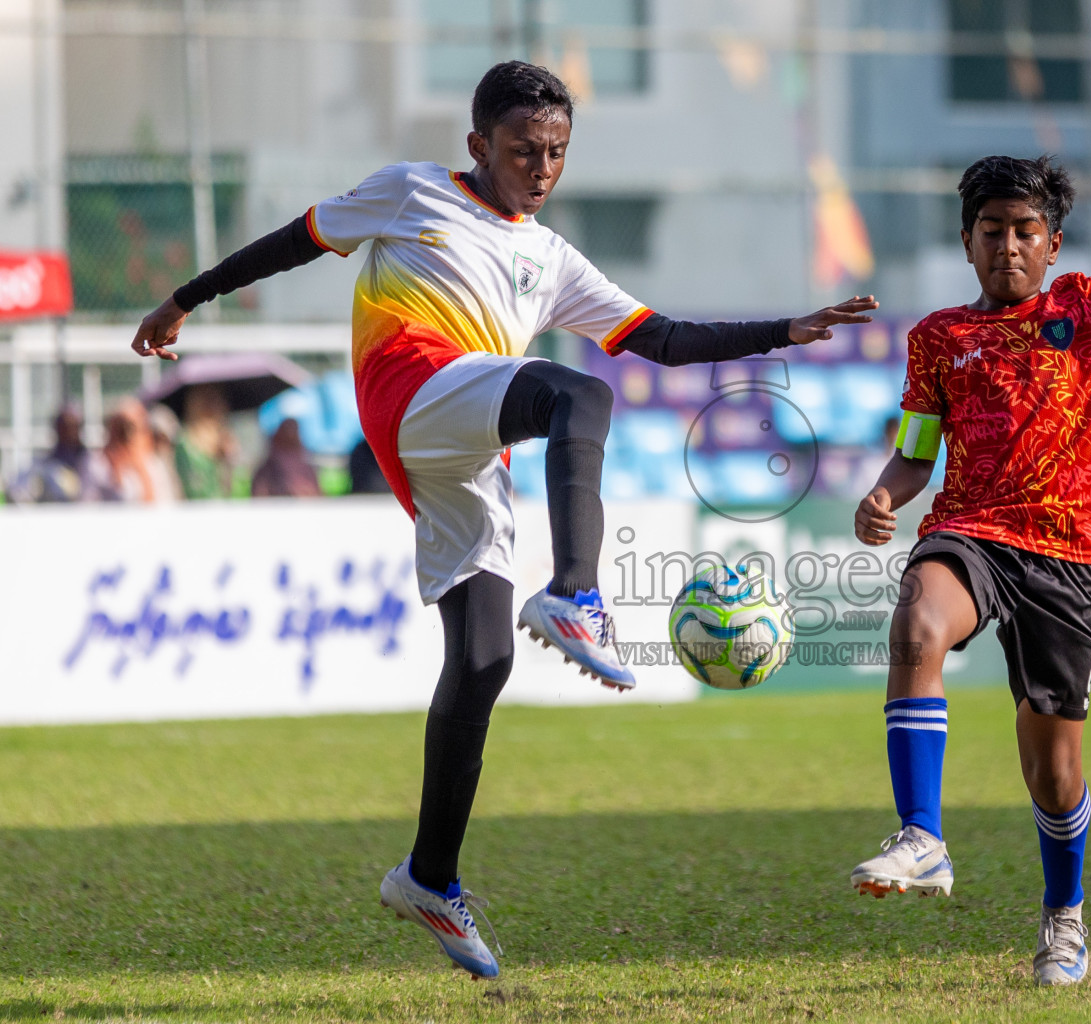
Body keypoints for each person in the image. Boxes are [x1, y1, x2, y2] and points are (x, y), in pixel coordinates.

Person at [129, 61, 875, 979]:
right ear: (478, 145)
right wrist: (186, 299)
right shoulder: (411, 192)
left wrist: (785, 329)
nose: (543, 165)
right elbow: (295, 240)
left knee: (484, 657)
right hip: (411, 390)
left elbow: (667, 339)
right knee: (578, 396)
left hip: (463, 452)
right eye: (525, 149)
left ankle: (429, 878)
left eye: (558, 151)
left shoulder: (552, 258)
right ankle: (576, 593)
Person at [847, 119, 1091, 987]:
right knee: (916, 627)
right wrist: (884, 494)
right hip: (970, 532)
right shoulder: (938, 339)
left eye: (1026, 232)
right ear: (967, 242)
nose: (1009, 247)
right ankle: (922, 836)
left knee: (1053, 774)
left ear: (1053, 245)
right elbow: (917, 449)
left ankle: (1065, 917)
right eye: (993, 231)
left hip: (1065, 559)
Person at [6, 406, 109, 503]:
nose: (68, 432)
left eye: (72, 426)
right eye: (63, 427)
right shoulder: (47, 464)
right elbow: (19, 489)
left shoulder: (91, 462)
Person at [102, 398, 177, 503]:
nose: (130, 434)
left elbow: (167, 499)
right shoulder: (101, 464)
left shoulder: (153, 463)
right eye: (125, 427)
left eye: (136, 427)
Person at [174, 384, 238, 499]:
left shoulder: (226, 443)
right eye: (206, 398)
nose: (212, 405)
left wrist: (229, 461)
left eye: (216, 398)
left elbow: (236, 490)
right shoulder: (183, 445)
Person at [251, 418, 321, 498]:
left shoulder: (305, 467)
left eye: (293, 430)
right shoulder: (268, 470)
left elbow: (317, 497)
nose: (290, 433)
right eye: (287, 429)